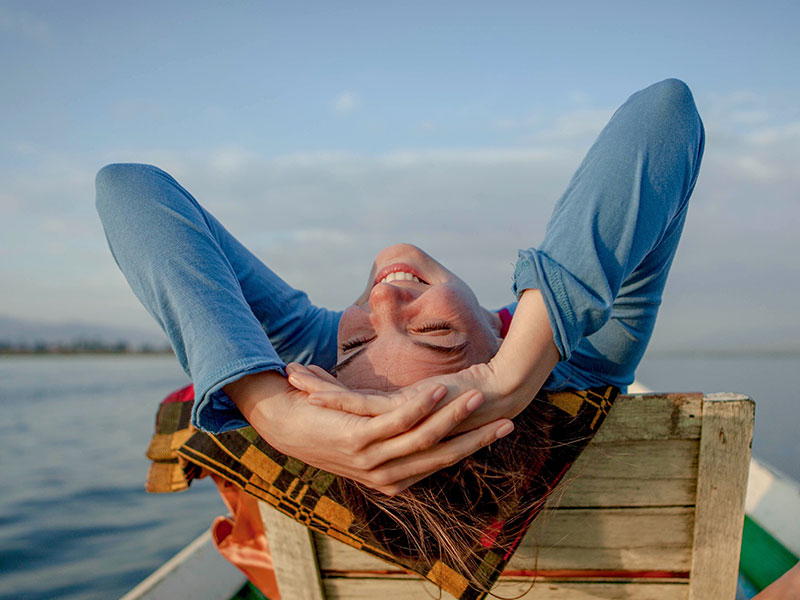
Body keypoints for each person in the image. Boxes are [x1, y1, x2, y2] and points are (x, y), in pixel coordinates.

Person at [97, 78, 706, 593]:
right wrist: (516, 378)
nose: (383, 300)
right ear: (503, 347)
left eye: (354, 343)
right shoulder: (577, 358)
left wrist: (269, 407)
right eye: (437, 333)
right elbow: (667, 112)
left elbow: (128, 187)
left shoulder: (312, 350)